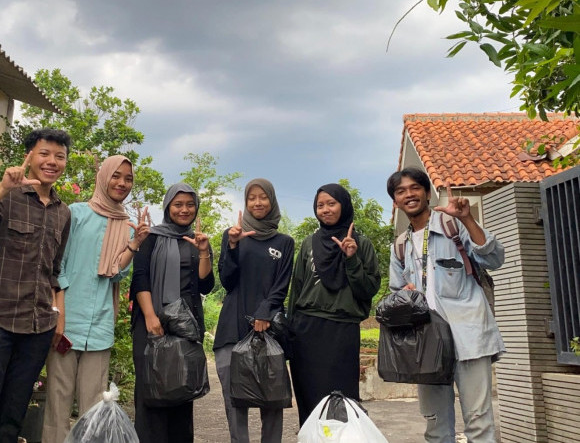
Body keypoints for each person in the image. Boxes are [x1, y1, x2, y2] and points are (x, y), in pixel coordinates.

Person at [0, 128, 72, 443]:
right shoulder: (6, 195)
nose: (52, 162)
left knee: (11, 419)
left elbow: (53, 270)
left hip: (37, 327)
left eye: (59, 156)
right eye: (44, 154)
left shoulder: (63, 213)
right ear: (30, 156)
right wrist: (3, 188)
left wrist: (56, 314)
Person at [386, 167, 505, 443]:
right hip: (427, 345)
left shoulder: (454, 226)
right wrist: (404, 295)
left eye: (415, 187)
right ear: (395, 201)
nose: (409, 194)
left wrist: (468, 219)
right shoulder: (399, 246)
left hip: (468, 337)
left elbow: (495, 259)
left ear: (427, 192)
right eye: (400, 191)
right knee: (436, 428)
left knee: (479, 423)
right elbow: (395, 294)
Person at [42, 155, 150, 443]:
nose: (122, 183)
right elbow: (57, 265)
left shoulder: (125, 224)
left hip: (100, 325)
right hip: (66, 322)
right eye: (116, 175)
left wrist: (134, 244)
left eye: (128, 178)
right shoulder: (75, 213)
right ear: (103, 176)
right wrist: (59, 317)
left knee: (94, 406)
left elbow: (115, 274)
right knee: (57, 401)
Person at [287, 183, 380, 426]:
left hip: (342, 330)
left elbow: (368, 289)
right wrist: (290, 330)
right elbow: (297, 289)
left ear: (344, 205)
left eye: (331, 203)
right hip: (306, 331)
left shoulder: (362, 244)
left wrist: (351, 259)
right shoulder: (309, 243)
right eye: (320, 205)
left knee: (342, 401)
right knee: (309, 400)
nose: (325, 210)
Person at [130, 183, 215, 443]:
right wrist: (150, 317)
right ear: (168, 207)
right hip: (151, 324)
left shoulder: (196, 240)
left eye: (190, 204)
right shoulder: (152, 238)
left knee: (181, 391)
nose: (184, 209)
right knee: (151, 392)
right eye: (178, 204)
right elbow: (140, 279)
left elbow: (205, 285)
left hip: (185, 328)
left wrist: (203, 253)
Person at [213, 178, 295, 443]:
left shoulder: (284, 242)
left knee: (271, 398)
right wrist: (233, 246)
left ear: (271, 200)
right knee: (233, 398)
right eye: (252, 198)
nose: (257, 202)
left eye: (263, 197)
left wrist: (264, 312)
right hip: (231, 326)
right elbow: (226, 280)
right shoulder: (232, 234)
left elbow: (281, 285)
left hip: (268, 327)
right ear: (246, 202)